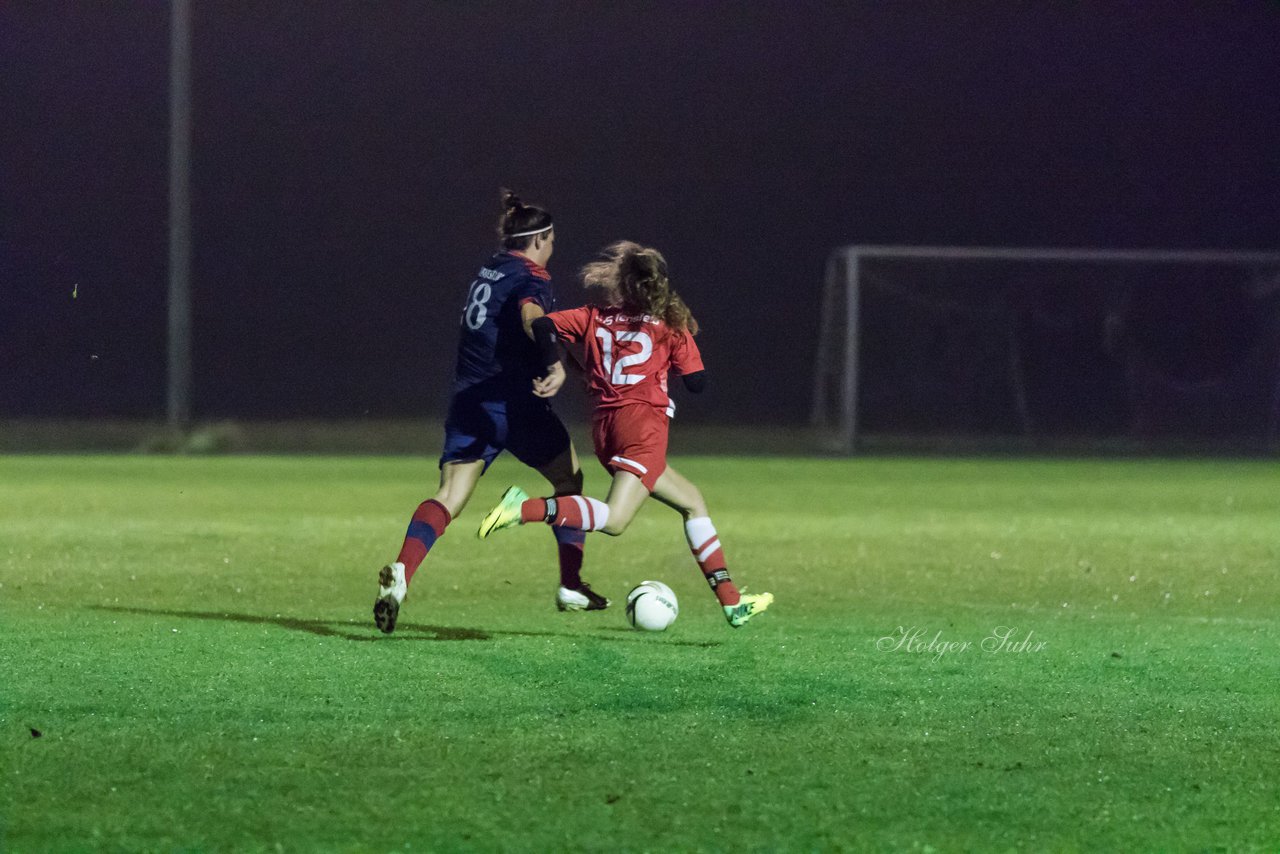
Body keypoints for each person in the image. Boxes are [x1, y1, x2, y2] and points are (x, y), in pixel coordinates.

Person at [476, 241, 773, 628]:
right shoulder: (671, 324)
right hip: (644, 429)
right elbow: (698, 383)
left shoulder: (593, 315)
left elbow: (545, 325)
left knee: (692, 503)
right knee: (615, 521)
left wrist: (566, 362)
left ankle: (731, 601)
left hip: (606, 429)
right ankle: (525, 508)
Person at [373, 191, 610, 635]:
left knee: (449, 497)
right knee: (569, 481)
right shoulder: (532, 276)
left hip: (469, 399)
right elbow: (533, 319)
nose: (554, 247)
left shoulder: (491, 267)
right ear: (539, 239)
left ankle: (403, 572)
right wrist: (556, 363)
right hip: (515, 404)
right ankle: (571, 584)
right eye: (552, 239)